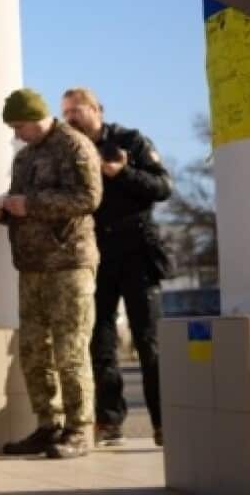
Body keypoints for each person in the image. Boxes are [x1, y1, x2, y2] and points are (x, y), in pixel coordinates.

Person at [0, 88, 102, 460]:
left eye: (19, 126)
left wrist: (28, 204)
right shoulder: (26, 156)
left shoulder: (74, 146)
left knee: (70, 350)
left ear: (36, 118)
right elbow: (22, 206)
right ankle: (49, 425)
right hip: (31, 266)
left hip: (69, 265)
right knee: (34, 350)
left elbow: (88, 197)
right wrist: (2, 211)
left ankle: (80, 429)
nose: (16, 134)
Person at [62, 87, 172, 447]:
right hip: (97, 253)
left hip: (138, 251)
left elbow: (162, 187)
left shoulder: (129, 140)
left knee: (148, 340)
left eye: (77, 110)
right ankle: (110, 422)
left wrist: (122, 172)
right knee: (100, 340)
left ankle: (163, 423)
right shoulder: (70, 150)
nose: (71, 118)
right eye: (66, 113)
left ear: (97, 110)